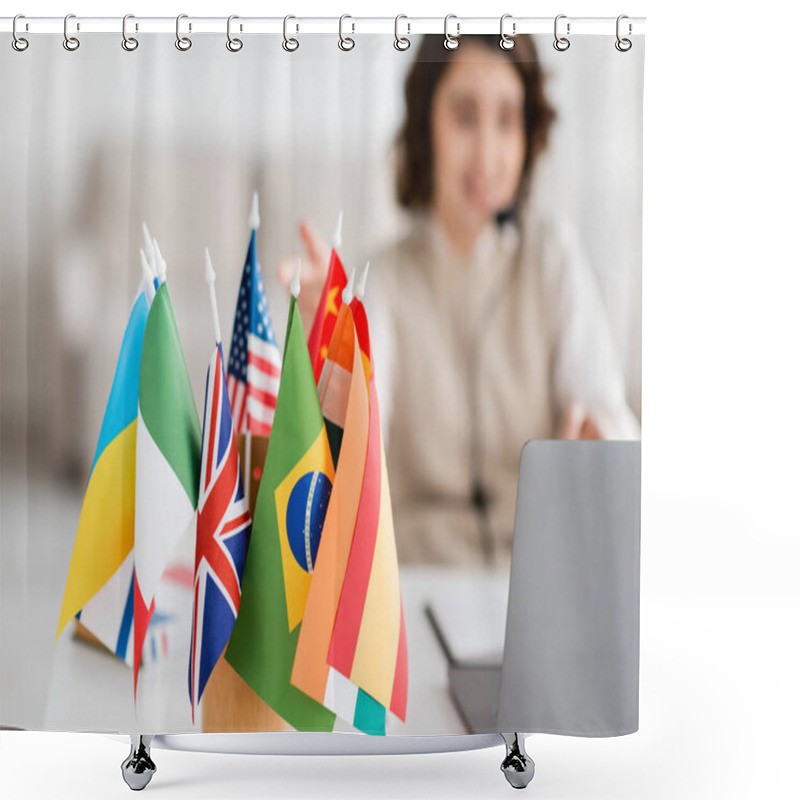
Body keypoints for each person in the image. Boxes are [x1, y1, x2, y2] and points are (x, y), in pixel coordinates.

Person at [278, 35, 639, 567]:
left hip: (535, 576)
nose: (488, 155)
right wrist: (327, 348)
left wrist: (599, 439)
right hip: (417, 578)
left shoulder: (551, 258)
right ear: (427, 128)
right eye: (465, 118)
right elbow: (355, 449)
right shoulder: (385, 279)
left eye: (508, 120)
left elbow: (613, 422)